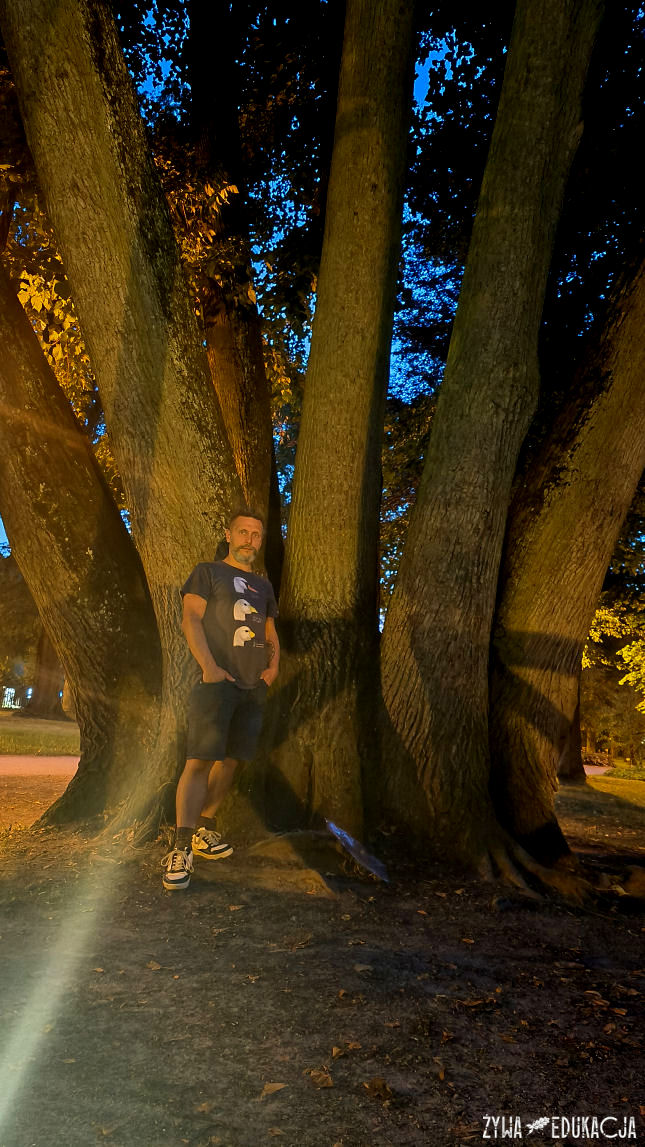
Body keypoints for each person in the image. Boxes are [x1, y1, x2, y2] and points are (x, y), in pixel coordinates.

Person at [162, 508, 279, 890]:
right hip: (217, 682)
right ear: (229, 535)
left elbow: (270, 631)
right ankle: (181, 848)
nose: (250, 539)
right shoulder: (208, 572)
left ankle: (204, 828)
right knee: (199, 760)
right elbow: (190, 619)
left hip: (252, 685)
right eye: (243, 532)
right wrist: (209, 667)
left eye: (256, 535)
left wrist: (273, 668)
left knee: (231, 761)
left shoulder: (263, 585)